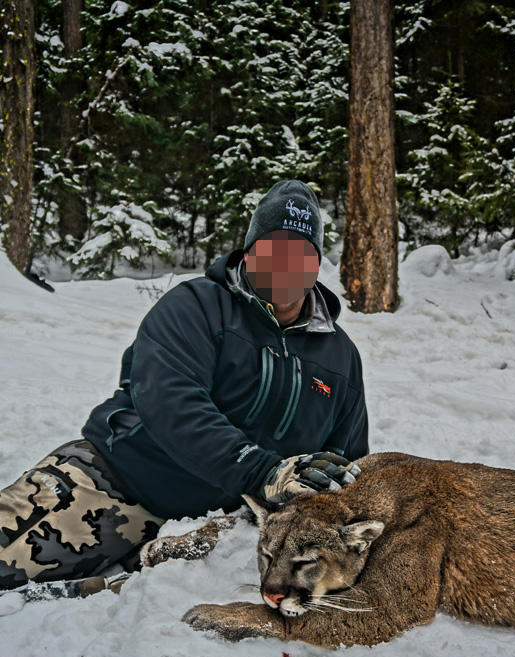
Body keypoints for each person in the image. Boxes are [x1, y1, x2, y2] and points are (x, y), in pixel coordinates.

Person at [0, 180, 368, 590]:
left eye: (300, 253)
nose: (286, 264)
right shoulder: (196, 306)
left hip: (217, 526)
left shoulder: (340, 357)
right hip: (116, 481)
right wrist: (266, 471)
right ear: (249, 253)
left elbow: (346, 460)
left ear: (315, 264)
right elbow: (171, 403)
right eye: (272, 249)